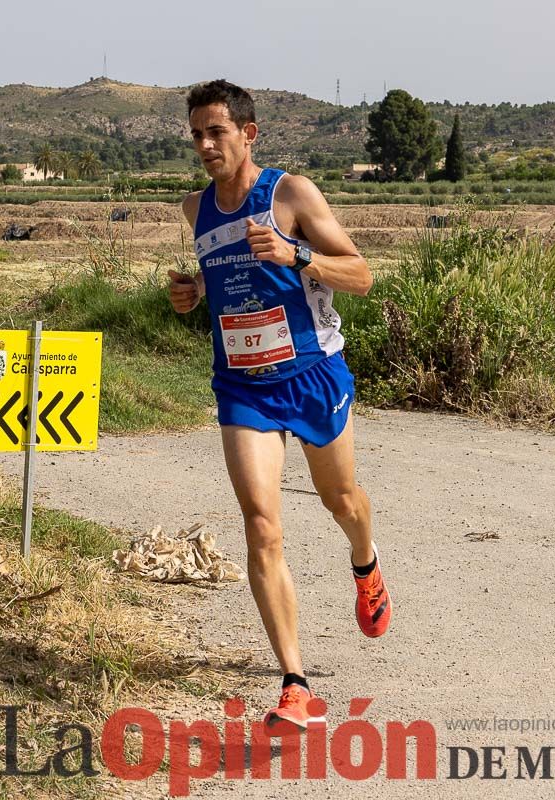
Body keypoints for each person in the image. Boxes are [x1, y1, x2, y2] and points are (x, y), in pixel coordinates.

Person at [168, 79, 391, 731]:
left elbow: (362, 273)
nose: (206, 145)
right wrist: (195, 293)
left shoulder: (290, 195)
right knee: (262, 525)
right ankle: (295, 683)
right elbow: (228, 279)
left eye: (217, 132)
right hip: (243, 387)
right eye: (197, 135)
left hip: (313, 375)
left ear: (248, 133)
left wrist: (299, 254)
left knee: (341, 501)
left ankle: (366, 563)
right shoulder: (195, 208)